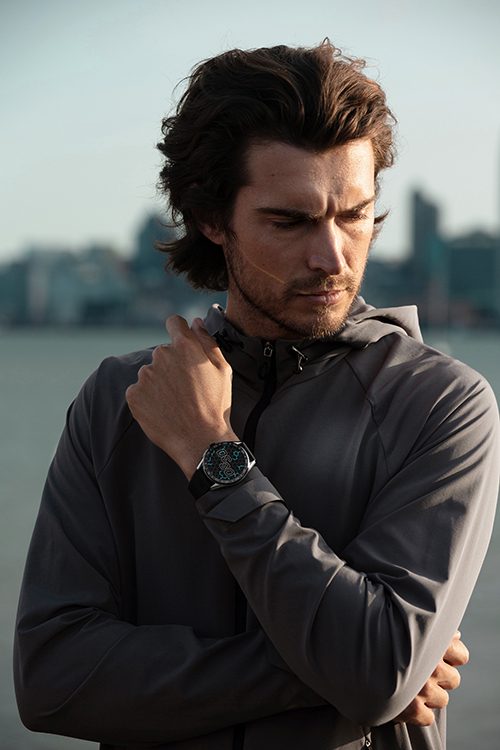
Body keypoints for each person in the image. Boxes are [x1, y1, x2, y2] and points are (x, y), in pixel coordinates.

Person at [14, 42, 499, 750]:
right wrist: (340, 668)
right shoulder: (120, 400)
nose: (332, 257)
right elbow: (52, 680)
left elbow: (376, 672)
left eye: (355, 215)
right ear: (212, 218)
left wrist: (212, 454)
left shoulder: (440, 404)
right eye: (290, 221)